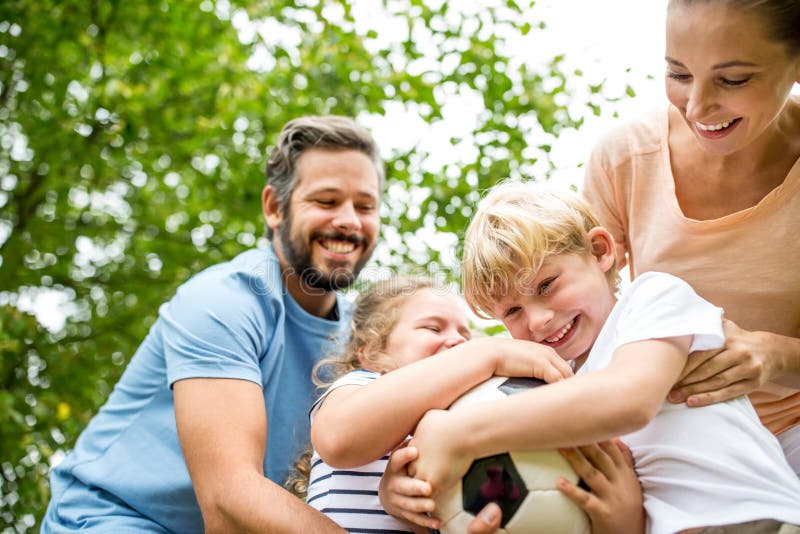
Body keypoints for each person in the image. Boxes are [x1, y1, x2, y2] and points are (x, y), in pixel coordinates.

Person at [42, 116, 385, 533]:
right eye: (327, 201)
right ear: (275, 208)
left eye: (365, 206)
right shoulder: (222, 301)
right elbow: (227, 506)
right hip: (114, 520)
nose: (350, 220)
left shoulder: (366, 339)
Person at [405, 182, 800, 534]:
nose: (538, 320)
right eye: (512, 312)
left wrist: (462, 432)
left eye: (546, 285)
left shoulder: (651, 299)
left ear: (600, 251)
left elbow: (629, 400)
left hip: (752, 519)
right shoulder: (551, 387)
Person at [582, 0, 800, 473]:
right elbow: (573, 317)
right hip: (667, 438)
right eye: (678, 74)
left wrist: (775, 355)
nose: (697, 107)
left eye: (734, 79)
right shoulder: (623, 158)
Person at [291, 274, 641, 534]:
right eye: (433, 328)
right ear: (372, 351)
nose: (457, 341)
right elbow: (340, 438)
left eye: (465, 334)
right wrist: (487, 351)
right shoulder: (364, 383)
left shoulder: (462, 418)